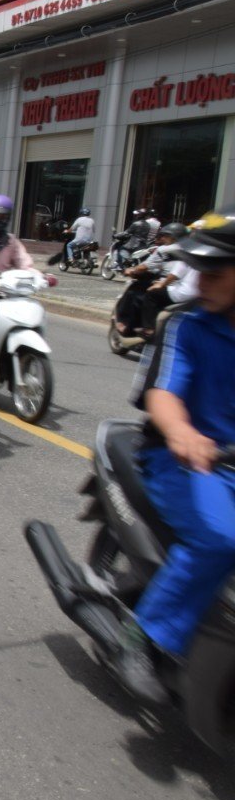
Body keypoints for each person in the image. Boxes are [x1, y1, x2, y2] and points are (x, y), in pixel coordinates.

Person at [115, 205, 235, 704]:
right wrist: (184, 432)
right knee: (220, 539)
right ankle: (145, 637)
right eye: (198, 269)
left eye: (215, 272)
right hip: (185, 460)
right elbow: (164, 393)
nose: (200, 281)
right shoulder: (186, 326)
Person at [135, 222, 199, 339]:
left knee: (151, 295)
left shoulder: (187, 252)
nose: (163, 238)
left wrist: (161, 284)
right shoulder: (210, 255)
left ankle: (148, 330)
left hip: (184, 292)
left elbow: (175, 274)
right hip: (199, 295)